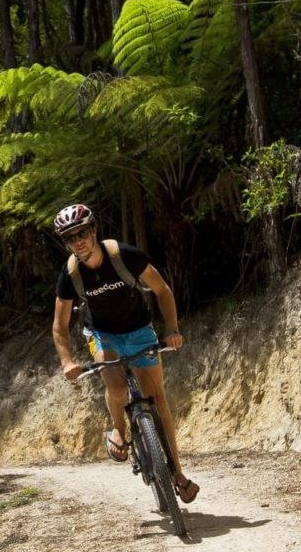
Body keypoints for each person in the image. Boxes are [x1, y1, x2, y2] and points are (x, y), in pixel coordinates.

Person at [51, 203, 199, 503]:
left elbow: (162, 291)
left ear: (93, 230)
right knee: (116, 386)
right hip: (102, 335)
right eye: (70, 237)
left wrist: (172, 329)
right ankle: (119, 431)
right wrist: (67, 361)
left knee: (158, 399)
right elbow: (59, 325)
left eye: (81, 233)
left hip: (140, 329)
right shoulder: (70, 274)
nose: (78, 241)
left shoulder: (124, 256)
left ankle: (178, 474)